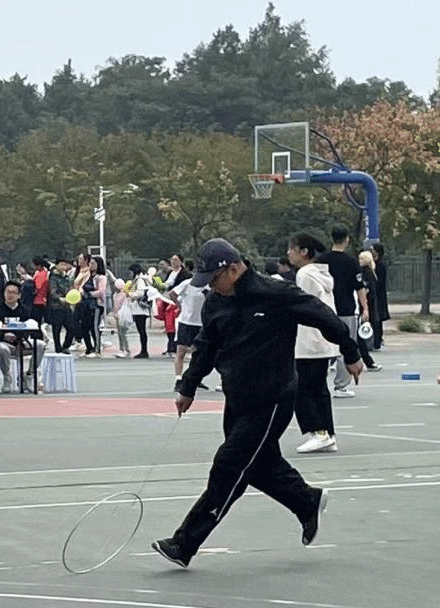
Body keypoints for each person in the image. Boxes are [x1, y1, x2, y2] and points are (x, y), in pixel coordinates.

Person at [151, 238, 362, 569]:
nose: (212, 288)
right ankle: (307, 501)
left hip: (272, 398)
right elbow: (206, 346)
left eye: (214, 280)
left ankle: (184, 543)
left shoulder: (275, 294)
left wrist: (351, 353)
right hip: (237, 396)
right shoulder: (215, 302)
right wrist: (188, 386)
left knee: (229, 466)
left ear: (233, 269)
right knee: (258, 465)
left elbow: (323, 316)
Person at [287, 234, 339, 454]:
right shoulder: (319, 273)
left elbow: (304, 307)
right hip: (322, 340)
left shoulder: (305, 275)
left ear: (304, 252)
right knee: (318, 388)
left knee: (303, 389)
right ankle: (327, 433)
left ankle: (318, 432)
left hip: (309, 340)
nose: (288, 253)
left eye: (291, 249)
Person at [319, 225, 367, 398]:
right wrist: (365, 308)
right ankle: (341, 385)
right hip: (346, 309)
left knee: (322, 345)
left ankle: (319, 382)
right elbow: (359, 287)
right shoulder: (351, 262)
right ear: (346, 239)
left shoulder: (321, 261)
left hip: (325, 308)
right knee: (345, 345)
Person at [0, 280, 46, 391]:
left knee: (41, 345)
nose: (10, 295)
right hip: (2, 343)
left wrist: (20, 337)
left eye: (13, 292)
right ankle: (7, 376)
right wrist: (4, 335)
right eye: (8, 292)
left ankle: (29, 374)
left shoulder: (25, 311)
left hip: (21, 343)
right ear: (4, 293)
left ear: (19, 295)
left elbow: (32, 329)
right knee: (2, 348)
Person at [356, 250, 382, 372]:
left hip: (363, 305)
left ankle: (368, 361)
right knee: (357, 335)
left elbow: (365, 289)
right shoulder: (369, 272)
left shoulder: (366, 272)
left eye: (362, 259)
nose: (360, 261)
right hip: (365, 305)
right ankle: (368, 362)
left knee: (357, 335)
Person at [126, 264, 152, 358]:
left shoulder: (140, 280)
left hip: (139, 308)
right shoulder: (143, 279)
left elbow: (140, 293)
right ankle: (143, 350)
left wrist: (131, 294)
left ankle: (144, 350)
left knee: (141, 330)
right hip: (142, 308)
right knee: (142, 330)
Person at [369, 243, 390, 350]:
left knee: (378, 319)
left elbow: (380, 281)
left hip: (379, 294)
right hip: (372, 294)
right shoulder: (370, 263)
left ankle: (377, 341)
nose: (371, 251)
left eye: (372, 250)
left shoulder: (381, 265)